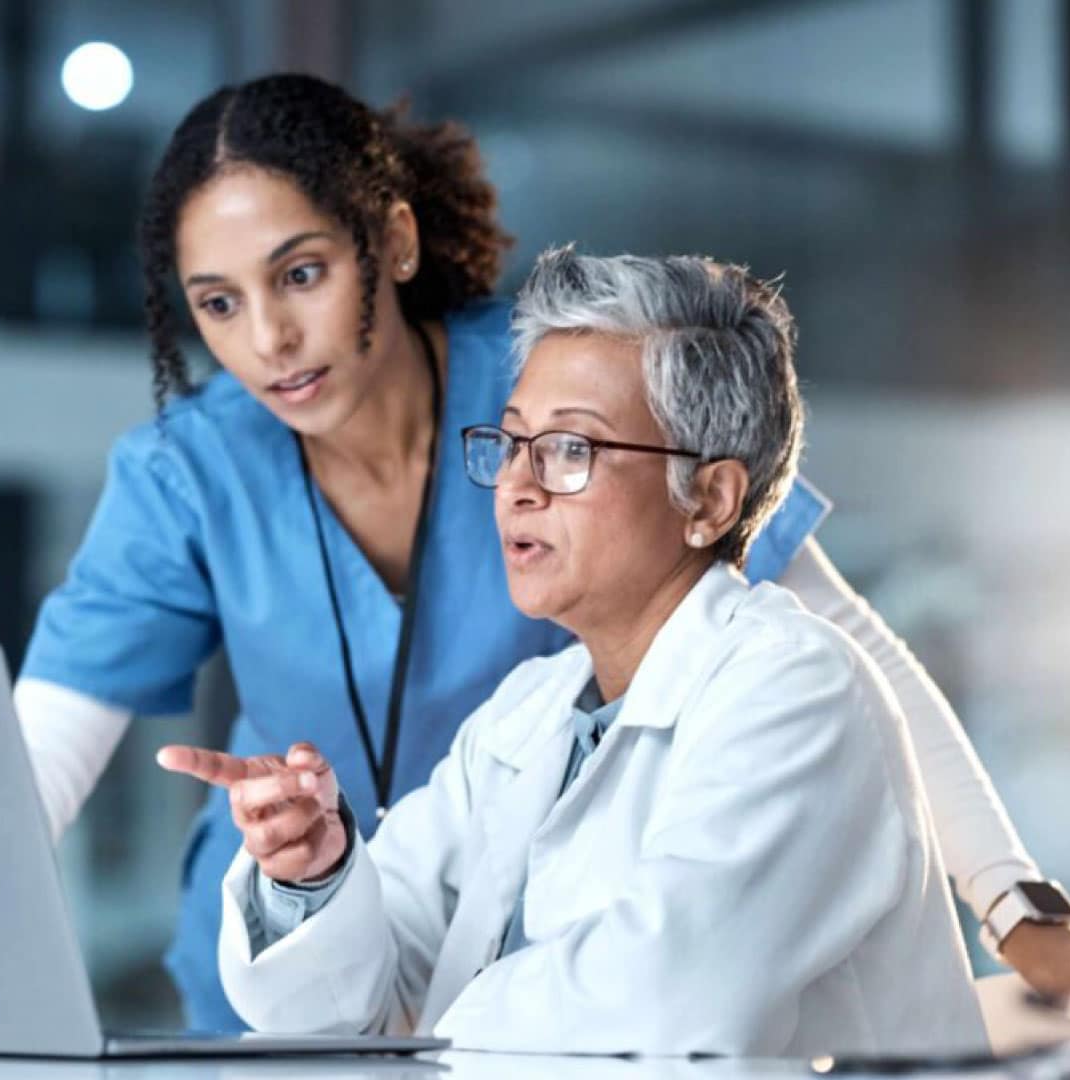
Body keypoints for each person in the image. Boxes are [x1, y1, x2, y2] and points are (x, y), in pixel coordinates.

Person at [16, 72, 1070, 1030]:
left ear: (394, 242)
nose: (268, 340)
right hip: (358, 967)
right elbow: (32, 774)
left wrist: (1014, 906)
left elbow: (850, 652)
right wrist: (310, 871)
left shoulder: (564, 385)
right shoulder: (204, 475)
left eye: (303, 275)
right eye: (216, 304)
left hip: (536, 997)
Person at [159, 248, 988, 1055]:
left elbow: (670, 998)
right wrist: (315, 876)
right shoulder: (533, 709)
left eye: (570, 450)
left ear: (709, 497)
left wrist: (434, 1029)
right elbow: (360, 992)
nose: (518, 485)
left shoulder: (796, 689)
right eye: (513, 443)